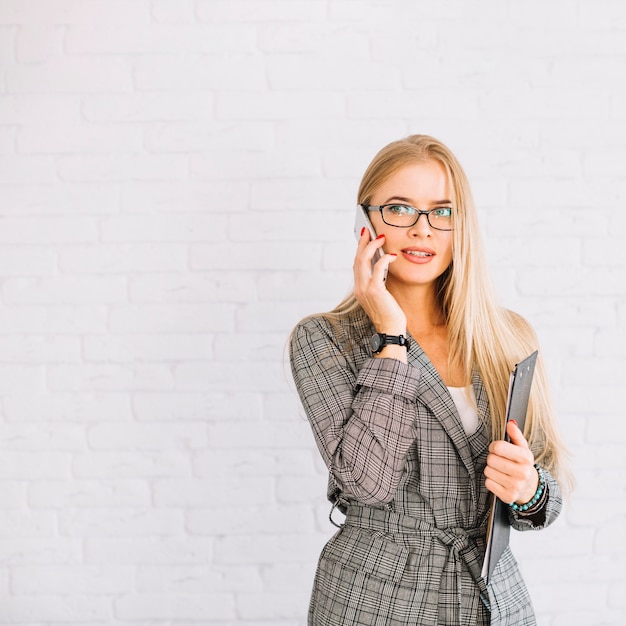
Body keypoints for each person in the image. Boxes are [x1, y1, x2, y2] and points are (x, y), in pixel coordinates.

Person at [289, 134, 570, 626]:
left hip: (490, 597)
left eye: (442, 212)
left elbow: (545, 487)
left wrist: (529, 488)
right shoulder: (323, 340)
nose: (423, 231)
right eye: (400, 208)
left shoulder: (508, 337)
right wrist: (391, 338)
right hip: (375, 599)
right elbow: (368, 483)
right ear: (365, 222)